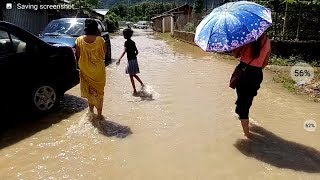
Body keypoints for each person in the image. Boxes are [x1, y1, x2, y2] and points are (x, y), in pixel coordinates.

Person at [232, 33, 271, 138]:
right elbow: (265, 62)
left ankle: (247, 135)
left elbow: (235, 55)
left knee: (243, 103)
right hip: (257, 74)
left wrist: (237, 45)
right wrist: (256, 69)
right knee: (247, 99)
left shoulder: (246, 39)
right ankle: (240, 113)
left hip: (243, 72)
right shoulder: (267, 41)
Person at [76, 19, 107, 120]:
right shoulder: (100, 40)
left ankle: (91, 113)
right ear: (96, 28)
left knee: (90, 91)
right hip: (98, 71)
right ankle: (99, 115)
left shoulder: (79, 40)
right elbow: (104, 55)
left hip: (85, 70)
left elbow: (78, 55)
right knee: (99, 92)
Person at [116, 28, 144, 96]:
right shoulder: (133, 42)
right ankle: (142, 84)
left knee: (131, 76)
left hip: (131, 60)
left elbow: (125, 51)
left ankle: (135, 90)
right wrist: (133, 56)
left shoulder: (126, 42)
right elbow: (137, 52)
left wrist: (119, 59)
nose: (123, 36)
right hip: (134, 60)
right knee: (133, 74)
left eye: (124, 34)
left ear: (126, 35)